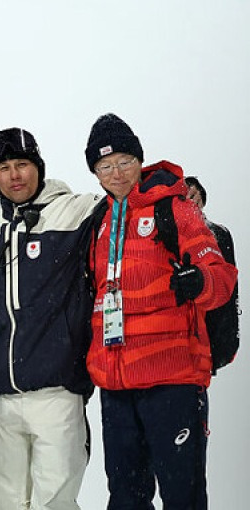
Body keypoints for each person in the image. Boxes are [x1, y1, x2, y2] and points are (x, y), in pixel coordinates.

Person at [83, 114, 236, 510]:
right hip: (116, 386)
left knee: (181, 495)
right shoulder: (98, 220)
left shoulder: (175, 209)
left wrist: (199, 282)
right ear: (95, 173)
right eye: (105, 166)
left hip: (172, 380)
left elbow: (221, 277)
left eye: (124, 161)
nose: (116, 173)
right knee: (126, 498)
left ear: (139, 160)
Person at [0, 127, 102, 510]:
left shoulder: (76, 210)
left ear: (39, 168)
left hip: (57, 391)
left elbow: (127, 196)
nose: (15, 175)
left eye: (23, 164)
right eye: (4, 168)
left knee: (55, 501)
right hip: (1, 397)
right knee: (5, 501)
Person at [184, 175, 239, 372]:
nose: (191, 200)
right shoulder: (170, 231)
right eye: (185, 195)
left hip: (211, 327)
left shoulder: (218, 233)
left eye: (194, 195)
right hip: (182, 330)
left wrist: (225, 341)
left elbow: (229, 286)